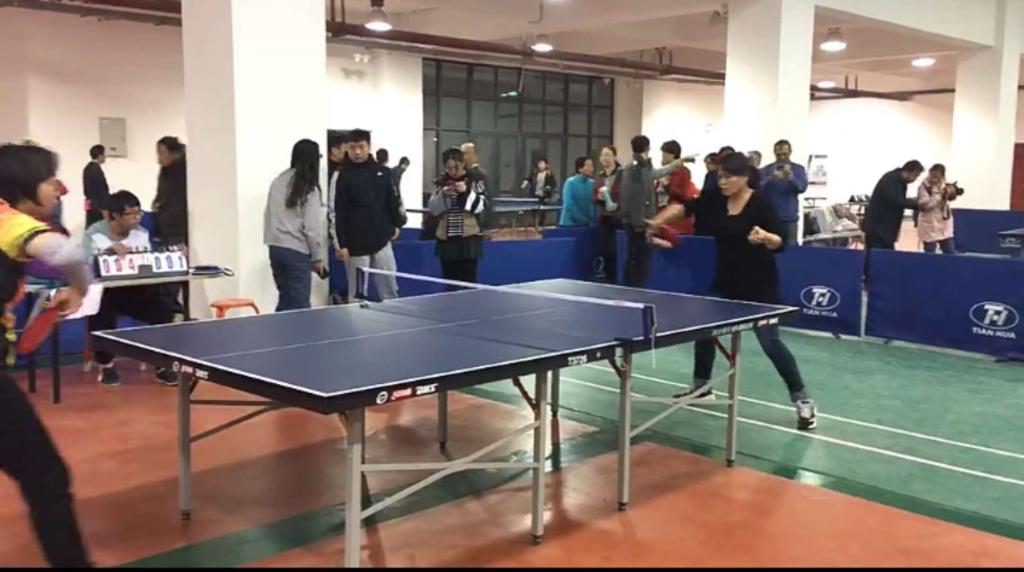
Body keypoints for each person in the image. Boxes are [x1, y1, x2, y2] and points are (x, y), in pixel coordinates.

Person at [648, 152, 817, 431]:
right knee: (704, 329)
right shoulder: (716, 198)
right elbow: (686, 207)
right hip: (726, 281)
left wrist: (766, 238)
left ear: (744, 177)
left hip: (759, 286)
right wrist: (656, 221)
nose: (722, 182)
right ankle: (701, 387)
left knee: (771, 343)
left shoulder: (761, 204)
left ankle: (803, 400)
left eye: (728, 177)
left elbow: (781, 241)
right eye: (720, 177)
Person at [0, 144, 93, 568]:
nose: (59, 188)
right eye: (48, 179)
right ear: (22, 187)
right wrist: (80, 287)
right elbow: (68, 254)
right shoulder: (7, 219)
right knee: (46, 476)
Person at [83, 191, 179, 387]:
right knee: (101, 308)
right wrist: (108, 252)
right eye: (132, 214)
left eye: (139, 213)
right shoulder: (94, 234)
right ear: (115, 216)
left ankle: (161, 365)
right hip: (106, 293)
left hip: (133, 292)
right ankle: (106, 365)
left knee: (163, 306)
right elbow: (84, 265)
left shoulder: (141, 233)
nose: (137, 218)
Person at [335, 129, 402, 302]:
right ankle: (355, 319)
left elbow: (392, 201)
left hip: (382, 240)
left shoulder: (383, 172)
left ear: (369, 147)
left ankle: (393, 316)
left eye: (361, 147)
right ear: (347, 149)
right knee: (357, 295)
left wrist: (396, 224)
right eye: (352, 148)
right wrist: (342, 244)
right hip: (355, 245)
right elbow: (339, 211)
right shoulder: (343, 175)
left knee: (389, 290)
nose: (357, 152)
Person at [615, 135, 686, 287]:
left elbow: (657, 173)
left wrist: (679, 162)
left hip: (633, 221)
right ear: (647, 148)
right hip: (639, 223)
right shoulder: (638, 169)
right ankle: (635, 288)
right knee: (640, 258)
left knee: (633, 256)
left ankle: (628, 286)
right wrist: (642, 223)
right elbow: (636, 198)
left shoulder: (634, 168)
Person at [264, 139, 326, 312]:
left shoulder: (278, 181)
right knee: (300, 307)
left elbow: (269, 214)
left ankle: (278, 330)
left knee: (285, 300)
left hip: (275, 248)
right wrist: (317, 257)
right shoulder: (310, 188)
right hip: (297, 252)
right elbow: (311, 228)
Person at [428, 147, 488, 286]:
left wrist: (466, 192)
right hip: (446, 239)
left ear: (462, 164)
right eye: (449, 168)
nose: (453, 172)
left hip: (469, 239)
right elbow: (433, 209)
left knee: (468, 282)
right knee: (449, 283)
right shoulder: (440, 183)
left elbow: (482, 206)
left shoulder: (475, 180)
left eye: (456, 167)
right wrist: (443, 195)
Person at [862, 160, 925, 253]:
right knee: (878, 255)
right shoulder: (891, 180)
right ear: (908, 171)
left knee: (885, 254)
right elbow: (896, 200)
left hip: (884, 228)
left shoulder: (897, 180)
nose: (915, 179)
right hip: (879, 228)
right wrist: (915, 204)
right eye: (915, 175)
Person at [760, 139, 808, 246]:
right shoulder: (766, 170)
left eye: (785, 154)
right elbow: (759, 190)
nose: (782, 157)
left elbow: (802, 188)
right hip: (770, 217)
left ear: (790, 152)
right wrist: (769, 180)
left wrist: (791, 179)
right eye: (779, 155)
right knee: (769, 247)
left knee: (791, 249)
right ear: (774, 153)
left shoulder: (798, 169)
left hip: (790, 217)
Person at [327, 132, 351, 304]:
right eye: (345, 149)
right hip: (334, 234)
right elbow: (333, 208)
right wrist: (338, 242)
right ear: (334, 150)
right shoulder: (333, 174)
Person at [656, 140, 699, 236]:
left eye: (665, 154)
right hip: (662, 214)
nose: (662, 156)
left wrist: (668, 187)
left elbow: (683, 194)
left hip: (676, 217)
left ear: (673, 155)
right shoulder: (662, 172)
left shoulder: (682, 172)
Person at [152, 136, 188, 248]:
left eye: (162, 153)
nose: (159, 159)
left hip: (178, 227)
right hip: (165, 226)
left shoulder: (184, 171)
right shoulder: (165, 171)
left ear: (174, 153)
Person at [592, 145, 622, 283]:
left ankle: (619, 279)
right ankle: (609, 279)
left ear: (614, 156)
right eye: (603, 155)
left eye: (608, 155)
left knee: (617, 249)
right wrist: (598, 197)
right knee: (605, 250)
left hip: (619, 217)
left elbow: (628, 194)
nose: (605, 158)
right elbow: (593, 196)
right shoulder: (599, 176)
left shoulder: (623, 174)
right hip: (604, 218)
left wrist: (618, 204)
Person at [916, 163, 959, 254]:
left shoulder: (945, 185)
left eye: (937, 177)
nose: (934, 180)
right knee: (930, 252)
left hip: (944, 223)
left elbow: (951, 198)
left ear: (942, 177)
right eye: (932, 176)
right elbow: (926, 205)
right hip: (929, 224)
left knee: (949, 251)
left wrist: (951, 192)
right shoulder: (923, 187)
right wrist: (940, 195)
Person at [558, 157, 596, 227]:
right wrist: (583, 220)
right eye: (588, 166)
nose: (592, 169)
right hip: (569, 224)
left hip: (588, 225)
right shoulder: (570, 182)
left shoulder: (592, 183)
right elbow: (569, 204)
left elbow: (594, 204)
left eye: (592, 166)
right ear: (580, 169)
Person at [461, 142, 492, 229]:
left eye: (466, 153)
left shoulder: (480, 175)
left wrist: (485, 225)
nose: (463, 157)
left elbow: (485, 200)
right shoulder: (458, 174)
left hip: (475, 222)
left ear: (475, 155)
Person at [83, 143, 110, 227]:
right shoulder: (96, 170)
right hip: (98, 206)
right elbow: (100, 190)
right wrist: (104, 208)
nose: (105, 157)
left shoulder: (87, 168)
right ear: (100, 156)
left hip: (90, 204)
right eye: (104, 154)